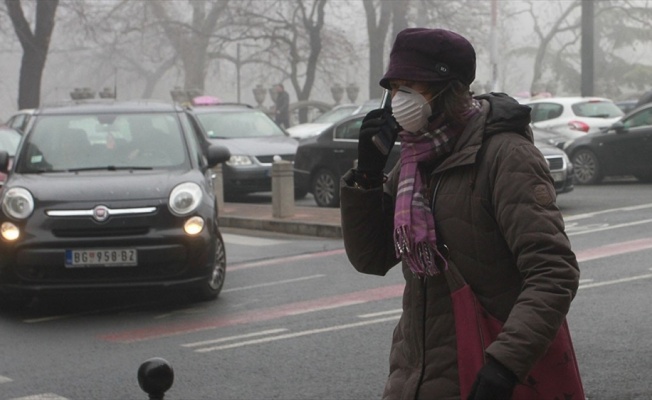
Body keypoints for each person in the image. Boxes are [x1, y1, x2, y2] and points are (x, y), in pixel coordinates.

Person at [340, 28, 582, 399]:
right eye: (395, 87)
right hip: (415, 378)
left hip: (488, 372)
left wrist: (504, 364)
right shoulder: (412, 162)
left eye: (412, 86)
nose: (400, 98)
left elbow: (554, 271)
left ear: (447, 89)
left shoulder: (506, 156)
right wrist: (367, 177)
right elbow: (371, 257)